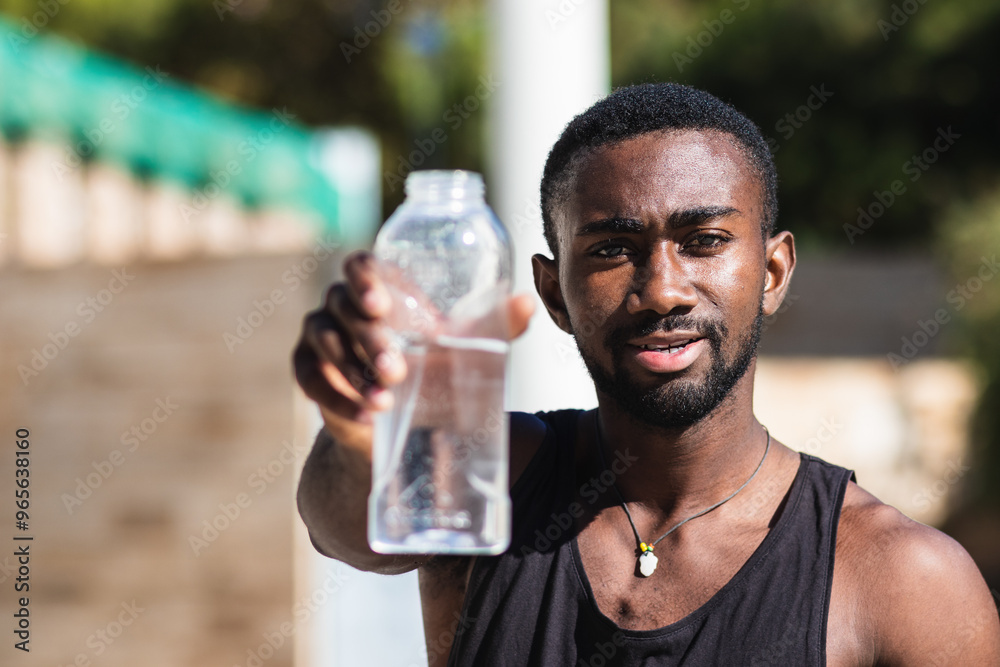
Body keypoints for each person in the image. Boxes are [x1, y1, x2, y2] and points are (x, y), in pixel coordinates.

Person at [293, 83, 1000, 665]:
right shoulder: (496, 482)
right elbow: (344, 524)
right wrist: (360, 431)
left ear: (774, 272)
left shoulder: (901, 580)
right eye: (612, 249)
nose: (663, 289)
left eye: (705, 241)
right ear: (552, 294)